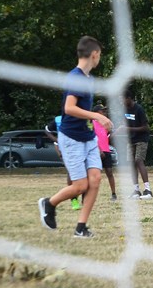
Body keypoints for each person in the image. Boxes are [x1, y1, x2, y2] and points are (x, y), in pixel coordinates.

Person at [38, 36, 113, 238]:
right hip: (71, 138)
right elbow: (69, 108)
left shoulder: (89, 79)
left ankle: (81, 227)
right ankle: (49, 203)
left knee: (95, 180)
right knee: (80, 185)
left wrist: (94, 134)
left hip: (87, 137)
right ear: (94, 54)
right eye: (100, 55)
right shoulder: (76, 77)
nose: (99, 58)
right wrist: (97, 116)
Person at [118, 89, 152, 199]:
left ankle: (148, 190)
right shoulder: (124, 110)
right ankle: (136, 190)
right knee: (131, 163)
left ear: (128, 98)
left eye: (122, 99)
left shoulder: (139, 109)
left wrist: (128, 128)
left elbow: (146, 127)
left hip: (142, 139)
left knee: (138, 160)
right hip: (131, 140)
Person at [44, 115, 81, 210]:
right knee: (71, 173)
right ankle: (74, 199)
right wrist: (57, 141)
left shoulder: (80, 116)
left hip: (80, 147)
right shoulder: (58, 119)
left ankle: (82, 197)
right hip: (66, 149)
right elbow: (47, 130)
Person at [93, 103, 117, 200]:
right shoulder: (92, 123)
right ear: (97, 112)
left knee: (109, 172)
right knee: (95, 174)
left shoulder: (105, 124)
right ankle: (91, 195)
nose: (104, 112)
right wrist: (99, 150)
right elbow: (93, 138)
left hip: (106, 150)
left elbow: (108, 138)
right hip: (96, 151)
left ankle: (114, 194)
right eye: (102, 111)